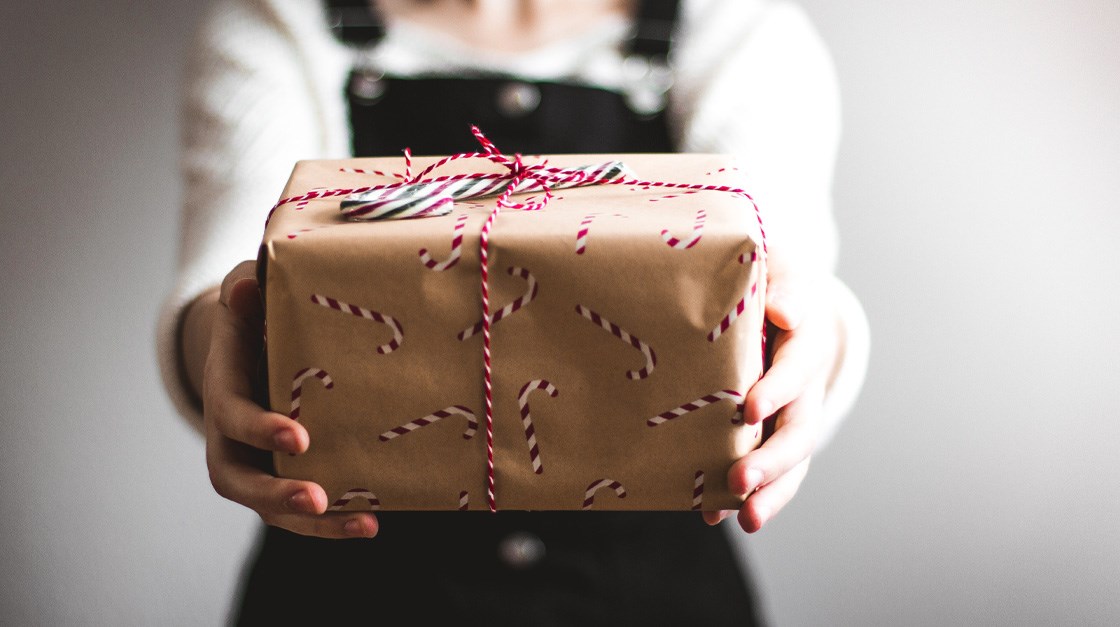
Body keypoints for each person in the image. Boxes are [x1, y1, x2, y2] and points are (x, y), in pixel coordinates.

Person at [156, 0, 870, 623]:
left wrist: (814, 344)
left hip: (656, 597)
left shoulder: (736, 30)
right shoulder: (284, 23)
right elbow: (229, 277)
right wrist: (220, 350)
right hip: (346, 593)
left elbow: (788, 270)